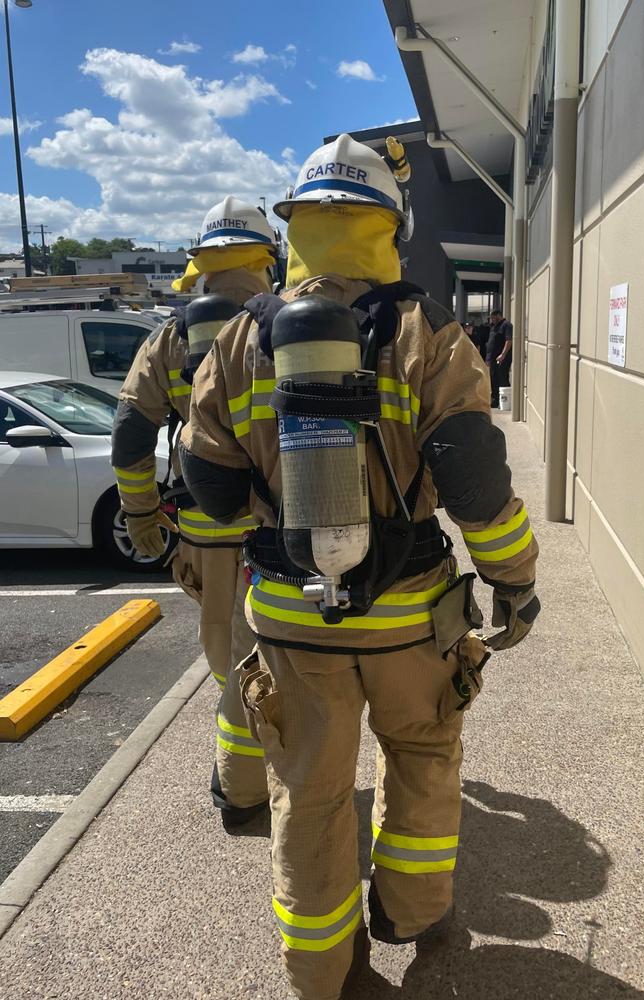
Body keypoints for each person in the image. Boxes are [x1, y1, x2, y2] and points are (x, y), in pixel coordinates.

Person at [180, 135, 540, 1000]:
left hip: (291, 620)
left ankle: (323, 975)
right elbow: (476, 481)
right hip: (411, 618)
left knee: (309, 795)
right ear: (391, 224)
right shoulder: (427, 332)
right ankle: (411, 916)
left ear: (295, 225)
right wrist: (515, 578)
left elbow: (214, 494)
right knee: (421, 758)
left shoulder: (238, 338)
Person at [111, 196, 277, 824]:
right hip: (281, 529)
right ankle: (287, 767)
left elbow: (131, 434)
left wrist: (141, 516)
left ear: (200, 263)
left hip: (208, 534)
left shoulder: (169, 341)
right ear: (266, 258)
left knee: (231, 655)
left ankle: (240, 786)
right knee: (289, 651)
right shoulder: (287, 325)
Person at [485, 308, 513, 407]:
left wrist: (503, 354)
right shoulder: (493, 326)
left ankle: (505, 401)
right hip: (492, 359)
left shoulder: (506, 325)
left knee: (502, 378)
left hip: (502, 358)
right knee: (493, 379)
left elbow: (508, 340)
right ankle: (495, 400)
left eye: (493, 317)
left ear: (498, 315)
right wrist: (488, 359)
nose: (492, 319)